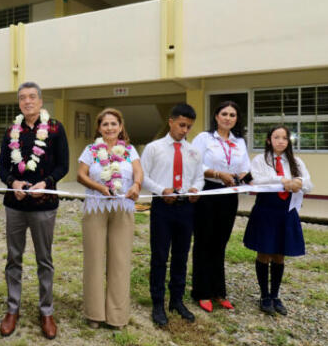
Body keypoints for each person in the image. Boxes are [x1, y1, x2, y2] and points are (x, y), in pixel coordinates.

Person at [0, 81, 69, 339]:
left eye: (32, 97)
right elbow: (2, 166)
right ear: (19, 103)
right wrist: (12, 182)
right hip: (15, 205)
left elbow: (63, 165)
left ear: (40, 101)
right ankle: (12, 309)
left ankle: (46, 311)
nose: (27, 101)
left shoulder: (55, 128)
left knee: (44, 260)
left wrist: (46, 183)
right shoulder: (10, 131)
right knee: (13, 258)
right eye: (23, 98)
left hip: (44, 205)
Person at [76, 108, 143, 329]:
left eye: (114, 124)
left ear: (121, 126)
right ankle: (94, 314)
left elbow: (138, 172)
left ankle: (117, 316)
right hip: (96, 206)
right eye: (105, 124)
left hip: (122, 207)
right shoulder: (91, 150)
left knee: (120, 261)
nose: (110, 128)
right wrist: (98, 187)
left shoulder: (129, 150)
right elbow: (81, 175)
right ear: (99, 128)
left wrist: (136, 185)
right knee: (94, 259)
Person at [141, 103, 204, 327]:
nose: (185, 130)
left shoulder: (193, 152)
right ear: (171, 122)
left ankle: (176, 300)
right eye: (181, 125)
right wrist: (161, 190)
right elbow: (143, 176)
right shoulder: (154, 148)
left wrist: (196, 189)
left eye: (188, 127)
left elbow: (199, 177)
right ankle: (157, 302)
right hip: (163, 206)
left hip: (186, 208)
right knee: (159, 255)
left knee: (181, 254)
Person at [243, 125, 312, 316]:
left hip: (286, 211)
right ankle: (264, 295)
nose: (280, 141)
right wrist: (281, 179)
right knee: (264, 252)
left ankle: (275, 295)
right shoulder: (260, 160)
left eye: (284, 137)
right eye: (276, 137)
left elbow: (308, 182)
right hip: (266, 210)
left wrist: (300, 183)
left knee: (280, 254)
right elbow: (254, 180)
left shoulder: (296, 161)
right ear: (268, 140)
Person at [190, 101, 251, 312]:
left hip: (229, 195)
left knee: (220, 243)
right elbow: (194, 163)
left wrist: (251, 178)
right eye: (224, 113)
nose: (228, 118)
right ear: (216, 116)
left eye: (232, 115)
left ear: (236, 119)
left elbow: (244, 169)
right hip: (208, 192)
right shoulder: (204, 138)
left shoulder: (240, 142)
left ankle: (219, 292)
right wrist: (218, 174)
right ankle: (201, 292)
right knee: (203, 242)